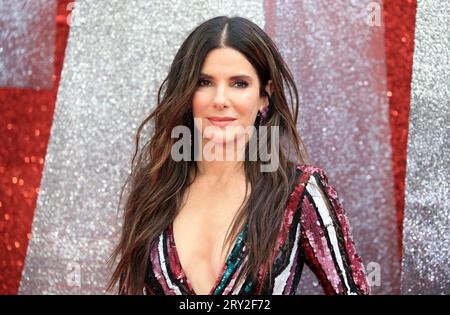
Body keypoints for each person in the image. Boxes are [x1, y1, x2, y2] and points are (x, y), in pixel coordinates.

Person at [106, 16, 371, 295]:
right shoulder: (154, 191)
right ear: (186, 93)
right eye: (204, 82)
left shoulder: (299, 193)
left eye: (239, 84)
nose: (220, 99)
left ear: (263, 97)